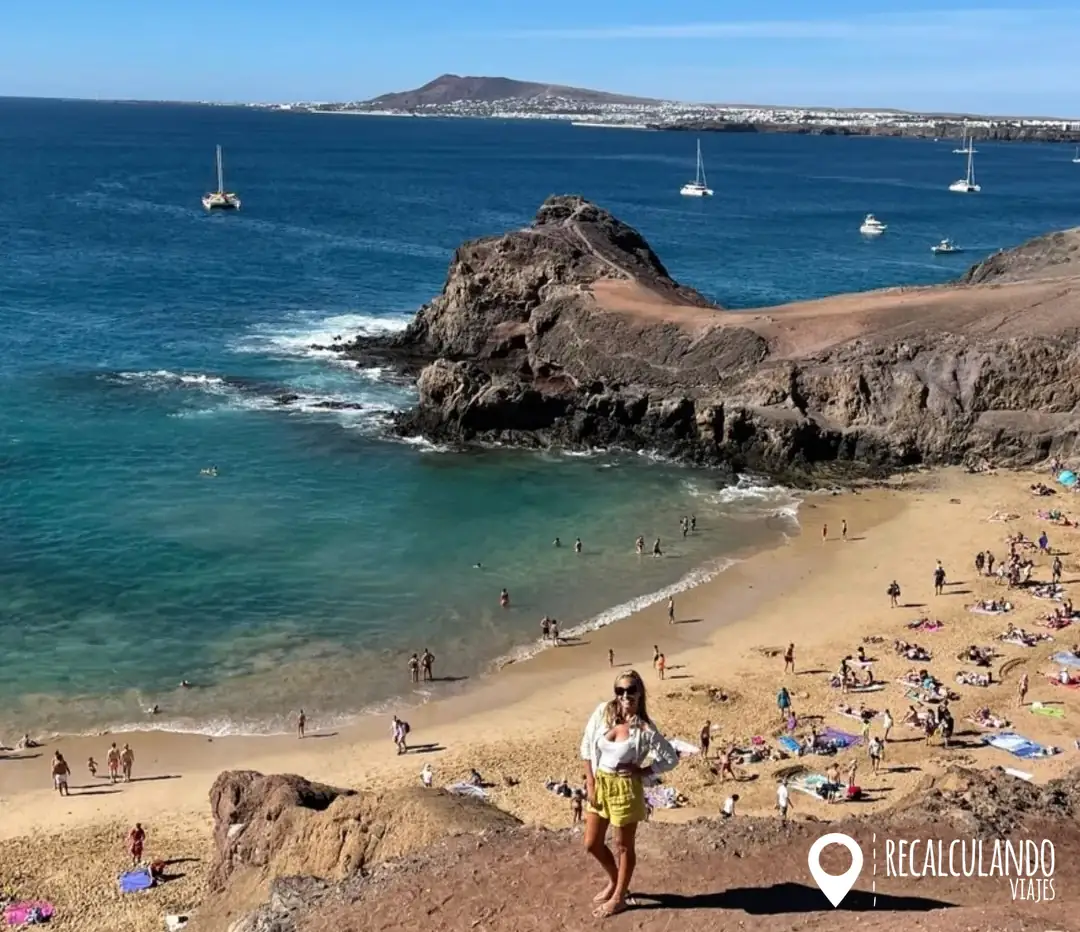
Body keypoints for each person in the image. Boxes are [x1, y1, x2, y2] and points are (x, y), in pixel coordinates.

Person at [580, 670, 679, 919]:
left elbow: (670, 758)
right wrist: (590, 783)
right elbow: (586, 746)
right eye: (620, 690)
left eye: (631, 690)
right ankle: (616, 881)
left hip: (625, 789)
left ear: (639, 692)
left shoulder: (645, 728)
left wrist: (643, 770)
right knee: (591, 843)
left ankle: (619, 897)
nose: (625, 695)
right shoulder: (603, 711)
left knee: (623, 846)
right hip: (601, 784)